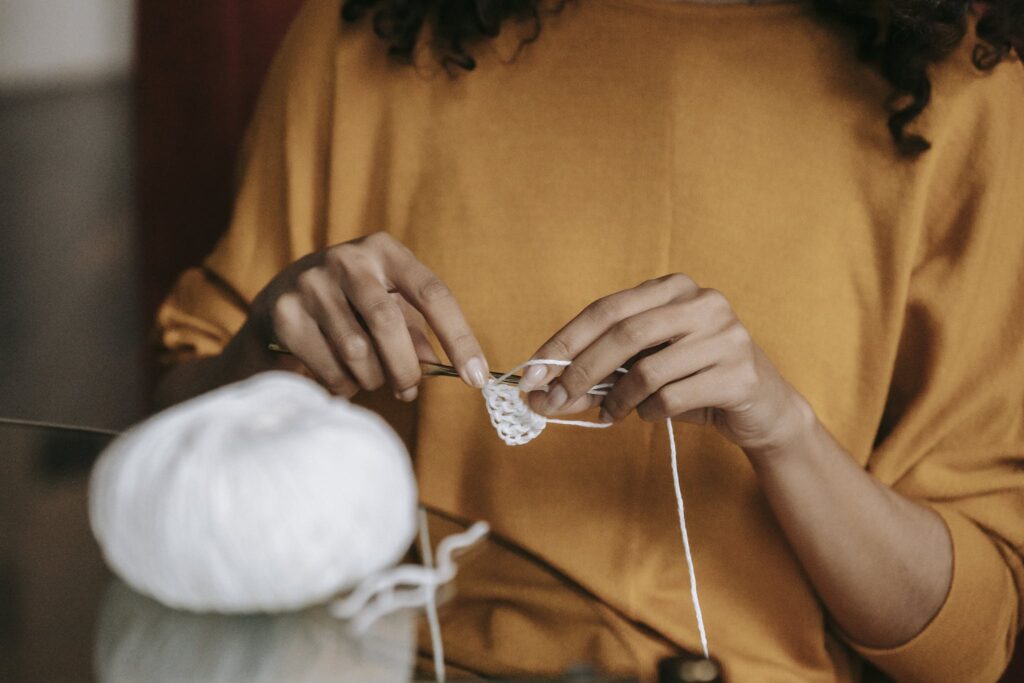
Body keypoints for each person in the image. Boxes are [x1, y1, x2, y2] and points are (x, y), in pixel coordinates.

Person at [154, 0, 1024, 679]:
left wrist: (783, 430)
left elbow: (968, 648)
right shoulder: (369, 35)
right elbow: (157, 458)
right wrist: (266, 354)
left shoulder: (970, 97)